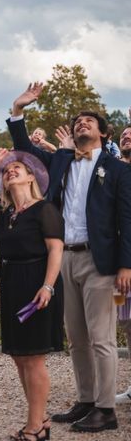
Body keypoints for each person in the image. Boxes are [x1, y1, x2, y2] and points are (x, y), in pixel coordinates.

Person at [8, 83, 131, 433]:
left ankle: (106, 410)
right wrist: (18, 111)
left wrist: (126, 264)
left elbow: (127, 219)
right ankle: (87, 399)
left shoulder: (119, 170)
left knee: (102, 338)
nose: (82, 124)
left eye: (90, 121)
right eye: (78, 121)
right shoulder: (61, 159)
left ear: (103, 133)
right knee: (75, 337)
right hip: (66, 259)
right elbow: (24, 150)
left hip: (101, 262)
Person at [0, 148, 64, 441]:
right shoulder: (5, 214)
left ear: (31, 177)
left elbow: (55, 249)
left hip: (37, 283)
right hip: (11, 283)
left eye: (18, 169)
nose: (11, 171)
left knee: (34, 357)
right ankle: (41, 419)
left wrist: (48, 286)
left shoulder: (44, 209)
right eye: (7, 170)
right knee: (19, 356)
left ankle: (34, 427)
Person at [115, 122, 131, 403]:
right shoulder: (114, 171)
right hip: (119, 262)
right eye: (123, 135)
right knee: (127, 325)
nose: (127, 135)